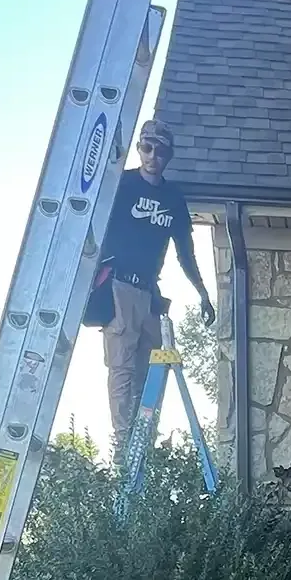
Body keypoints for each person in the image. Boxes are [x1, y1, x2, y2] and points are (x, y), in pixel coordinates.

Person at [84, 120, 213, 449]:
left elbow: (186, 252)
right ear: (140, 148)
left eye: (160, 150)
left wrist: (202, 294)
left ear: (169, 155)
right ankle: (123, 448)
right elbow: (89, 223)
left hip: (149, 292)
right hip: (119, 287)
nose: (153, 155)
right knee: (122, 368)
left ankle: (144, 443)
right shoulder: (121, 185)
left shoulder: (172, 198)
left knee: (153, 370)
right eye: (147, 147)